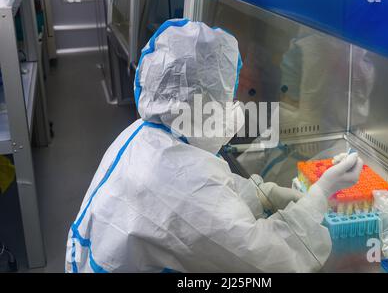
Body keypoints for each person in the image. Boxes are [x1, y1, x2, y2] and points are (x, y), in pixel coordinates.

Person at [65, 19, 363, 273]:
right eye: (228, 98)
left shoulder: (150, 133)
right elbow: (271, 258)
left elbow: (211, 190)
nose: (235, 107)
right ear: (200, 106)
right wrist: (320, 196)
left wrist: (272, 195)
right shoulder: (181, 183)